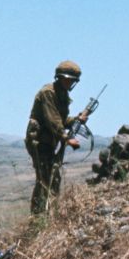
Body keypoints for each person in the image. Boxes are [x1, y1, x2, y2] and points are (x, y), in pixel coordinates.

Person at [24, 61, 87, 214]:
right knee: (45, 179)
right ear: (61, 78)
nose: (71, 83)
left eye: (73, 80)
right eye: (69, 79)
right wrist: (67, 138)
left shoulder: (62, 94)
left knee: (53, 177)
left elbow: (62, 120)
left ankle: (49, 212)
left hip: (50, 142)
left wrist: (77, 119)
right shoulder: (48, 92)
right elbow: (53, 120)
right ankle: (39, 215)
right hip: (39, 141)